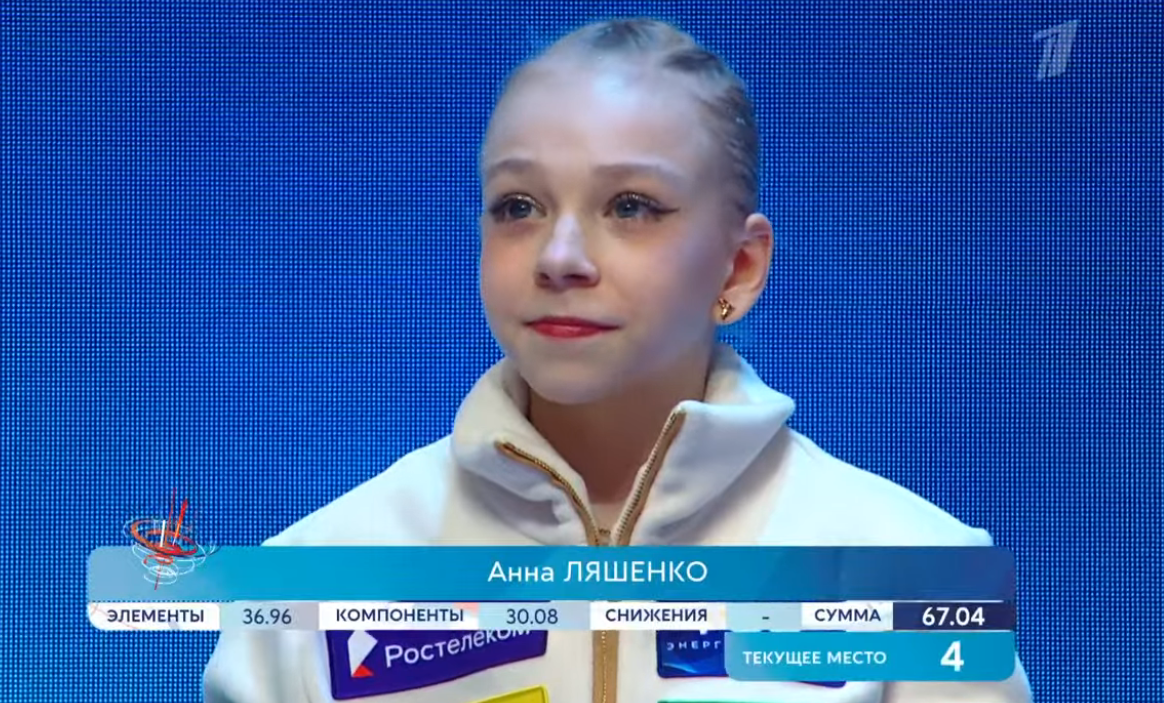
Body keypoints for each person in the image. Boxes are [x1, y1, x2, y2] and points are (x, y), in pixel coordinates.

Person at [202, 17, 1033, 703]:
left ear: (739, 267)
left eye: (630, 205)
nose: (558, 256)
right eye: (517, 206)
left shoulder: (914, 570)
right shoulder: (308, 585)